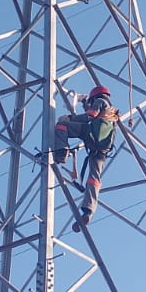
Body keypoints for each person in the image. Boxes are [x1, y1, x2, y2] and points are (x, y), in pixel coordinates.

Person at [53, 85, 119, 228]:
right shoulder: (112, 113)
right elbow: (94, 115)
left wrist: (69, 117)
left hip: (90, 135)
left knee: (61, 126)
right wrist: (83, 102)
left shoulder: (100, 101)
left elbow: (90, 116)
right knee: (94, 179)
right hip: (102, 149)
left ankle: (61, 152)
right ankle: (88, 211)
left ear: (95, 96)